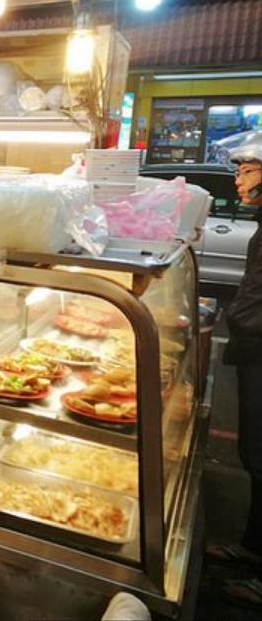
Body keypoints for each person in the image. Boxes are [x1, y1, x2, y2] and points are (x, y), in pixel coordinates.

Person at [208, 144, 262, 610]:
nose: (239, 181)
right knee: (253, 452)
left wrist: (241, 320)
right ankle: (253, 546)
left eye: (248, 172)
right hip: (253, 347)